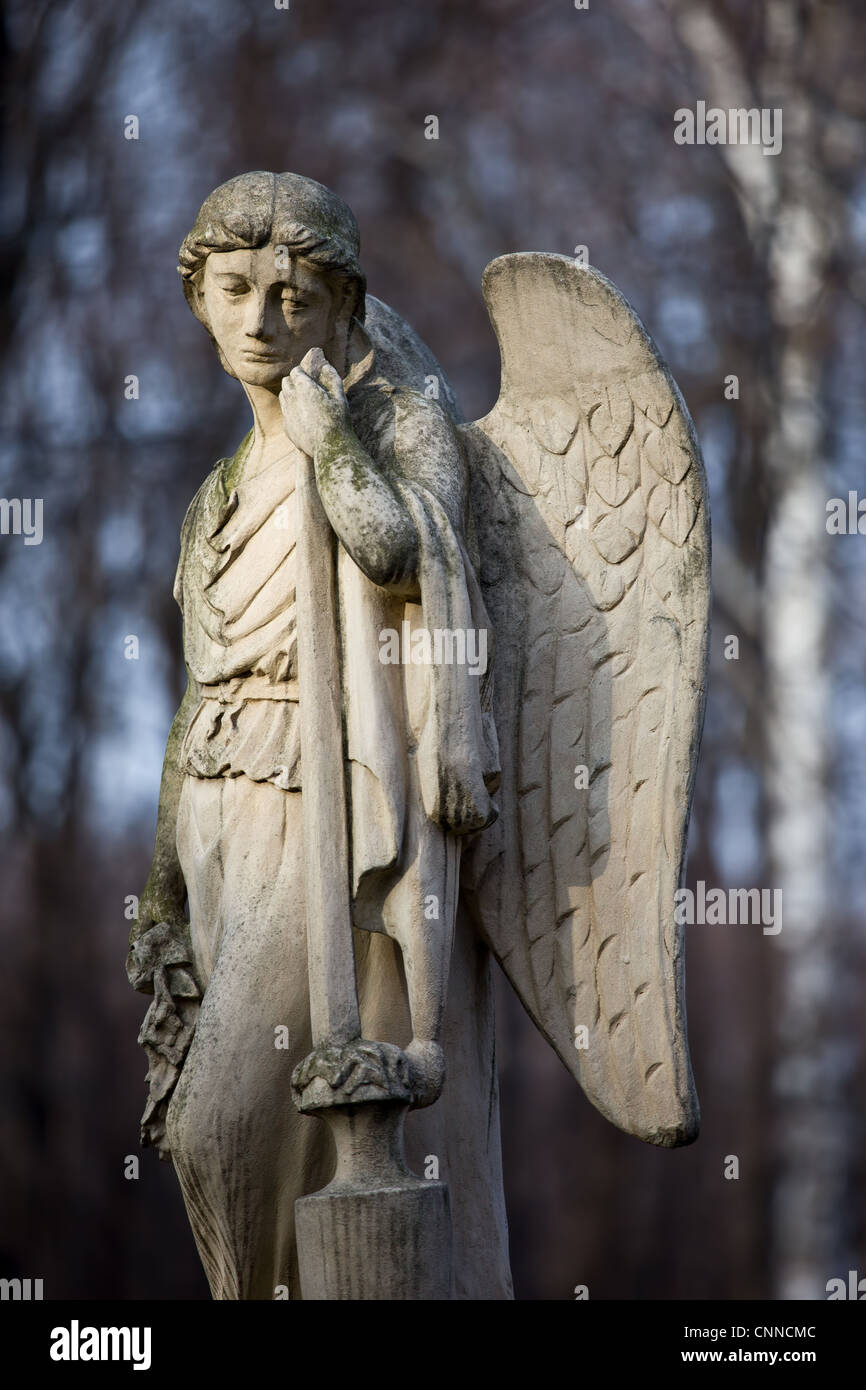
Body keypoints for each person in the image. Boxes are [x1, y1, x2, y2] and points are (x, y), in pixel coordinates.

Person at [126, 171, 513, 1300]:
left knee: (220, 1127)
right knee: (223, 1147)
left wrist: (332, 440)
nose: (259, 320)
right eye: (233, 290)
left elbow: (400, 556)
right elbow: (201, 686)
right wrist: (159, 883)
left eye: (291, 297)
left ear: (339, 309)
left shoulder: (396, 422)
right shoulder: (216, 491)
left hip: (338, 809)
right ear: (199, 302)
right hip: (219, 821)